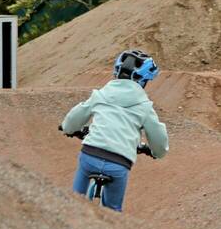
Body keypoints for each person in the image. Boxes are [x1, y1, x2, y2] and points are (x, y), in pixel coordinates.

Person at [59, 49, 168, 212]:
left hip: (90, 155)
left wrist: (69, 128)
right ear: (144, 81)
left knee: (74, 202)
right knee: (114, 214)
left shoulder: (100, 95)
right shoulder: (145, 107)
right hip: (118, 164)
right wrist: (157, 152)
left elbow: (73, 120)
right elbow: (159, 141)